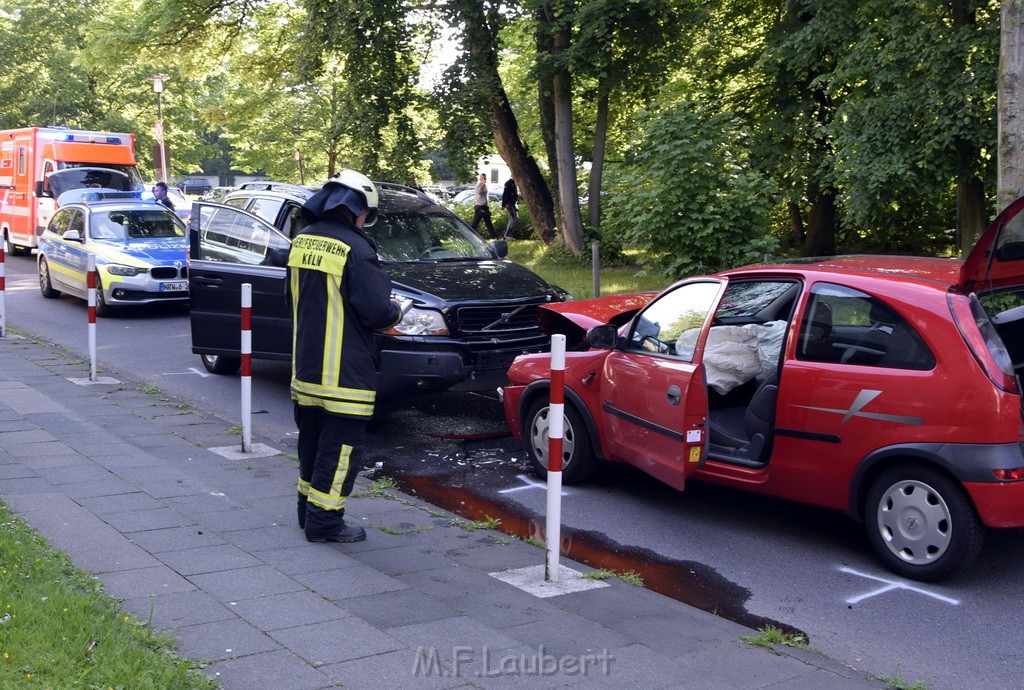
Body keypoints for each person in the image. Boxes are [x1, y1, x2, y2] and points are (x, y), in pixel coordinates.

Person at [288, 170, 403, 543]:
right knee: (340, 452)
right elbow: (376, 311)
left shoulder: (302, 241)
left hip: (305, 368)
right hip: (345, 374)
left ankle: (308, 513)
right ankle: (325, 523)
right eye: (366, 214)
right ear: (356, 209)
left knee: (312, 443)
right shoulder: (356, 248)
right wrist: (398, 310)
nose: (364, 220)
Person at [470, 173, 496, 238]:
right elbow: (479, 192)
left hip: (484, 206)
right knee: (476, 222)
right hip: (479, 207)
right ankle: (470, 234)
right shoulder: (478, 185)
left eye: (485, 178)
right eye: (483, 178)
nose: (484, 179)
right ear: (480, 179)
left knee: (488, 222)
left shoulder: (485, 186)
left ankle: (493, 236)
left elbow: (485, 195)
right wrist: (482, 184)